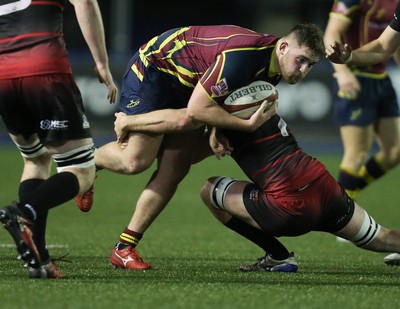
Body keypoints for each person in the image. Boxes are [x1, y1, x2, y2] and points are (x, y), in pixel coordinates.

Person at [75, 23, 326, 270]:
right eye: (301, 60)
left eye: (310, 65)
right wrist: (246, 126)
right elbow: (196, 112)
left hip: (192, 85)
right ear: (283, 47)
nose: (303, 70)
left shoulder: (275, 66)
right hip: (156, 70)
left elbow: (227, 97)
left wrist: (218, 129)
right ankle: (89, 160)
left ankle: (123, 249)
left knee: (176, 168)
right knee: (135, 161)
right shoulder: (243, 57)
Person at [199, 106, 400, 271]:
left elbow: (195, 114)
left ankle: (278, 257)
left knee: (209, 190)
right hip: (325, 188)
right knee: (380, 237)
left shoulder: (220, 100)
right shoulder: (264, 91)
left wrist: (212, 126)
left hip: (288, 206)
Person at [0, 0, 118, 279]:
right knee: (83, 170)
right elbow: (85, 2)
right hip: (44, 68)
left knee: (35, 159)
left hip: (3, 74)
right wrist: (101, 62)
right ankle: (26, 211)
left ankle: (40, 261)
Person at [323, 1, 400, 201]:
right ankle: (343, 214)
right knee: (357, 154)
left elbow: (393, 42)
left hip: (382, 79)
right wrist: (342, 73)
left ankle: (344, 198)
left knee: (394, 152)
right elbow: (331, 34)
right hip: (356, 79)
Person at [326, 1, 400, 66]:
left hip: (381, 73)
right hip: (356, 72)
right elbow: (384, 46)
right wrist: (343, 72)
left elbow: (393, 44)